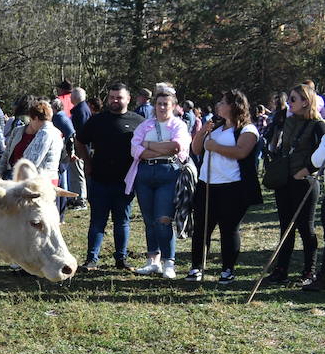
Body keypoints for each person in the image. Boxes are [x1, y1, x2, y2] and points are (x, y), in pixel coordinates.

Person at [186, 90, 261, 283]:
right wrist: (203, 131)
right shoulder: (216, 127)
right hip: (207, 185)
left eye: (222, 102)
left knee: (228, 229)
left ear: (234, 106)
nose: (218, 105)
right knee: (202, 228)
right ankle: (197, 267)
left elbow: (241, 152)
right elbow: (196, 149)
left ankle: (227, 270)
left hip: (232, 187)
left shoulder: (247, 130)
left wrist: (215, 147)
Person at [75, 83, 144, 272]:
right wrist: (87, 163)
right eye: (112, 97)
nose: (115, 101)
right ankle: (91, 259)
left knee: (122, 221)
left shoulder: (139, 121)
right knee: (97, 221)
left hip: (126, 181)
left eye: (119, 97)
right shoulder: (97, 120)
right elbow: (79, 141)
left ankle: (121, 259)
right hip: (99, 179)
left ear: (128, 99)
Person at [262, 83, 325, 285]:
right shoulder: (287, 121)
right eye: (289, 98)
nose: (288, 103)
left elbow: (322, 156)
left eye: (293, 99)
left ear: (306, 101)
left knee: (306, 229)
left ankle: (309, 272)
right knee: (285, 227)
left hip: (305, 182)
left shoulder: (318, 125)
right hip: (285, 180)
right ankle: (281, 269)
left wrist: (306, 170)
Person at [127, 83, 192, 278]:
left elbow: (175, 147)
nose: (162, 107)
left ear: (173, 106)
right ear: (154, 105)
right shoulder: (144, 126)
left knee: (163, 219)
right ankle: (152, 260)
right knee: (149, 221)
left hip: (168, 174)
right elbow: (135, 149)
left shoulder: (179, 125)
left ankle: (169, 262)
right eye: (159, 104)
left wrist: (148, 145)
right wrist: (155, 148)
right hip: (145, 174)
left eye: (166, 104)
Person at [3, 99, 65, 185]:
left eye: (31, 120)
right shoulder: (57, 132)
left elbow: (31, 161)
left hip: (41, 181)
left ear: (35, 118)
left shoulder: (44, 133)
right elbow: (64, 156)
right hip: (52, 177)